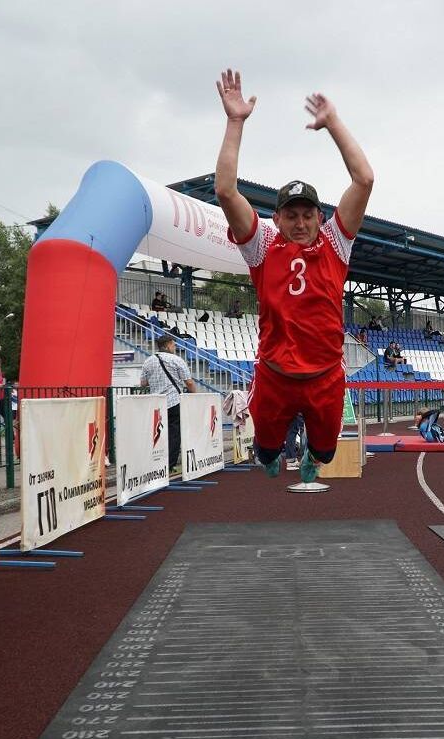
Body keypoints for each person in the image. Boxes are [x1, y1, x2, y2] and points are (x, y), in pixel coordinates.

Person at [214, 68, 374, 484]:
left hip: (324, 376)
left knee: (324, 450)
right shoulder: (263, 245)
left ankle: (310, 459)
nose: (300, 223)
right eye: (291, 215)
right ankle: (272, 453)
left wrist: (334, 123)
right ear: (278, 217)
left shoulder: (336, 243)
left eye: (307, 215)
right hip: (275, 376)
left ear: (319, 218)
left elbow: (365, 179)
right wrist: (235, 122)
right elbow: (226, 192)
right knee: (266, 452)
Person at [140, 333, 198, 472]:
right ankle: (170, 465)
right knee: (174, 433)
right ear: (167, 345)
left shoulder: (148, 361)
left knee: (158, 433)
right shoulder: (176, 360)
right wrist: (195, 396)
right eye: (173, 345)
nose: (175, 347)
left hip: (156, 404)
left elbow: (143, 383)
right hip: (173, 401)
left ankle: (156, 463)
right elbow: (189, 382)